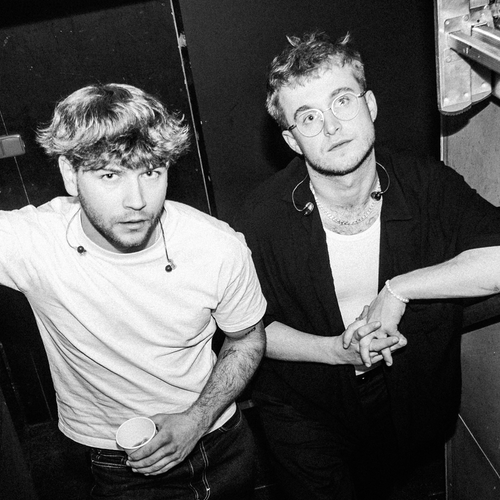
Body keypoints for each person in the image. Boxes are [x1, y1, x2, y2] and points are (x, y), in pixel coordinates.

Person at [235, 31, 500, 500]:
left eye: (342, 101)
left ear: (370, 104)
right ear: (292, 140)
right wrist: (337, 351)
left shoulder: (426, 183)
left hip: (404, 392)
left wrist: (399, 289)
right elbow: (247, 328)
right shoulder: (261, 217)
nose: (332, 127)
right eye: (309, 117)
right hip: (306, 402)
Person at [0, 83, 268, 500]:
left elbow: (247, 338)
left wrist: (196, 419)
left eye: (151, 172)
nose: (137, 201)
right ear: (70, 173)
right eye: (110, 175)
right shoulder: (33, 243)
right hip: (115, 461)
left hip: (220, 442)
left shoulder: (217, 247)